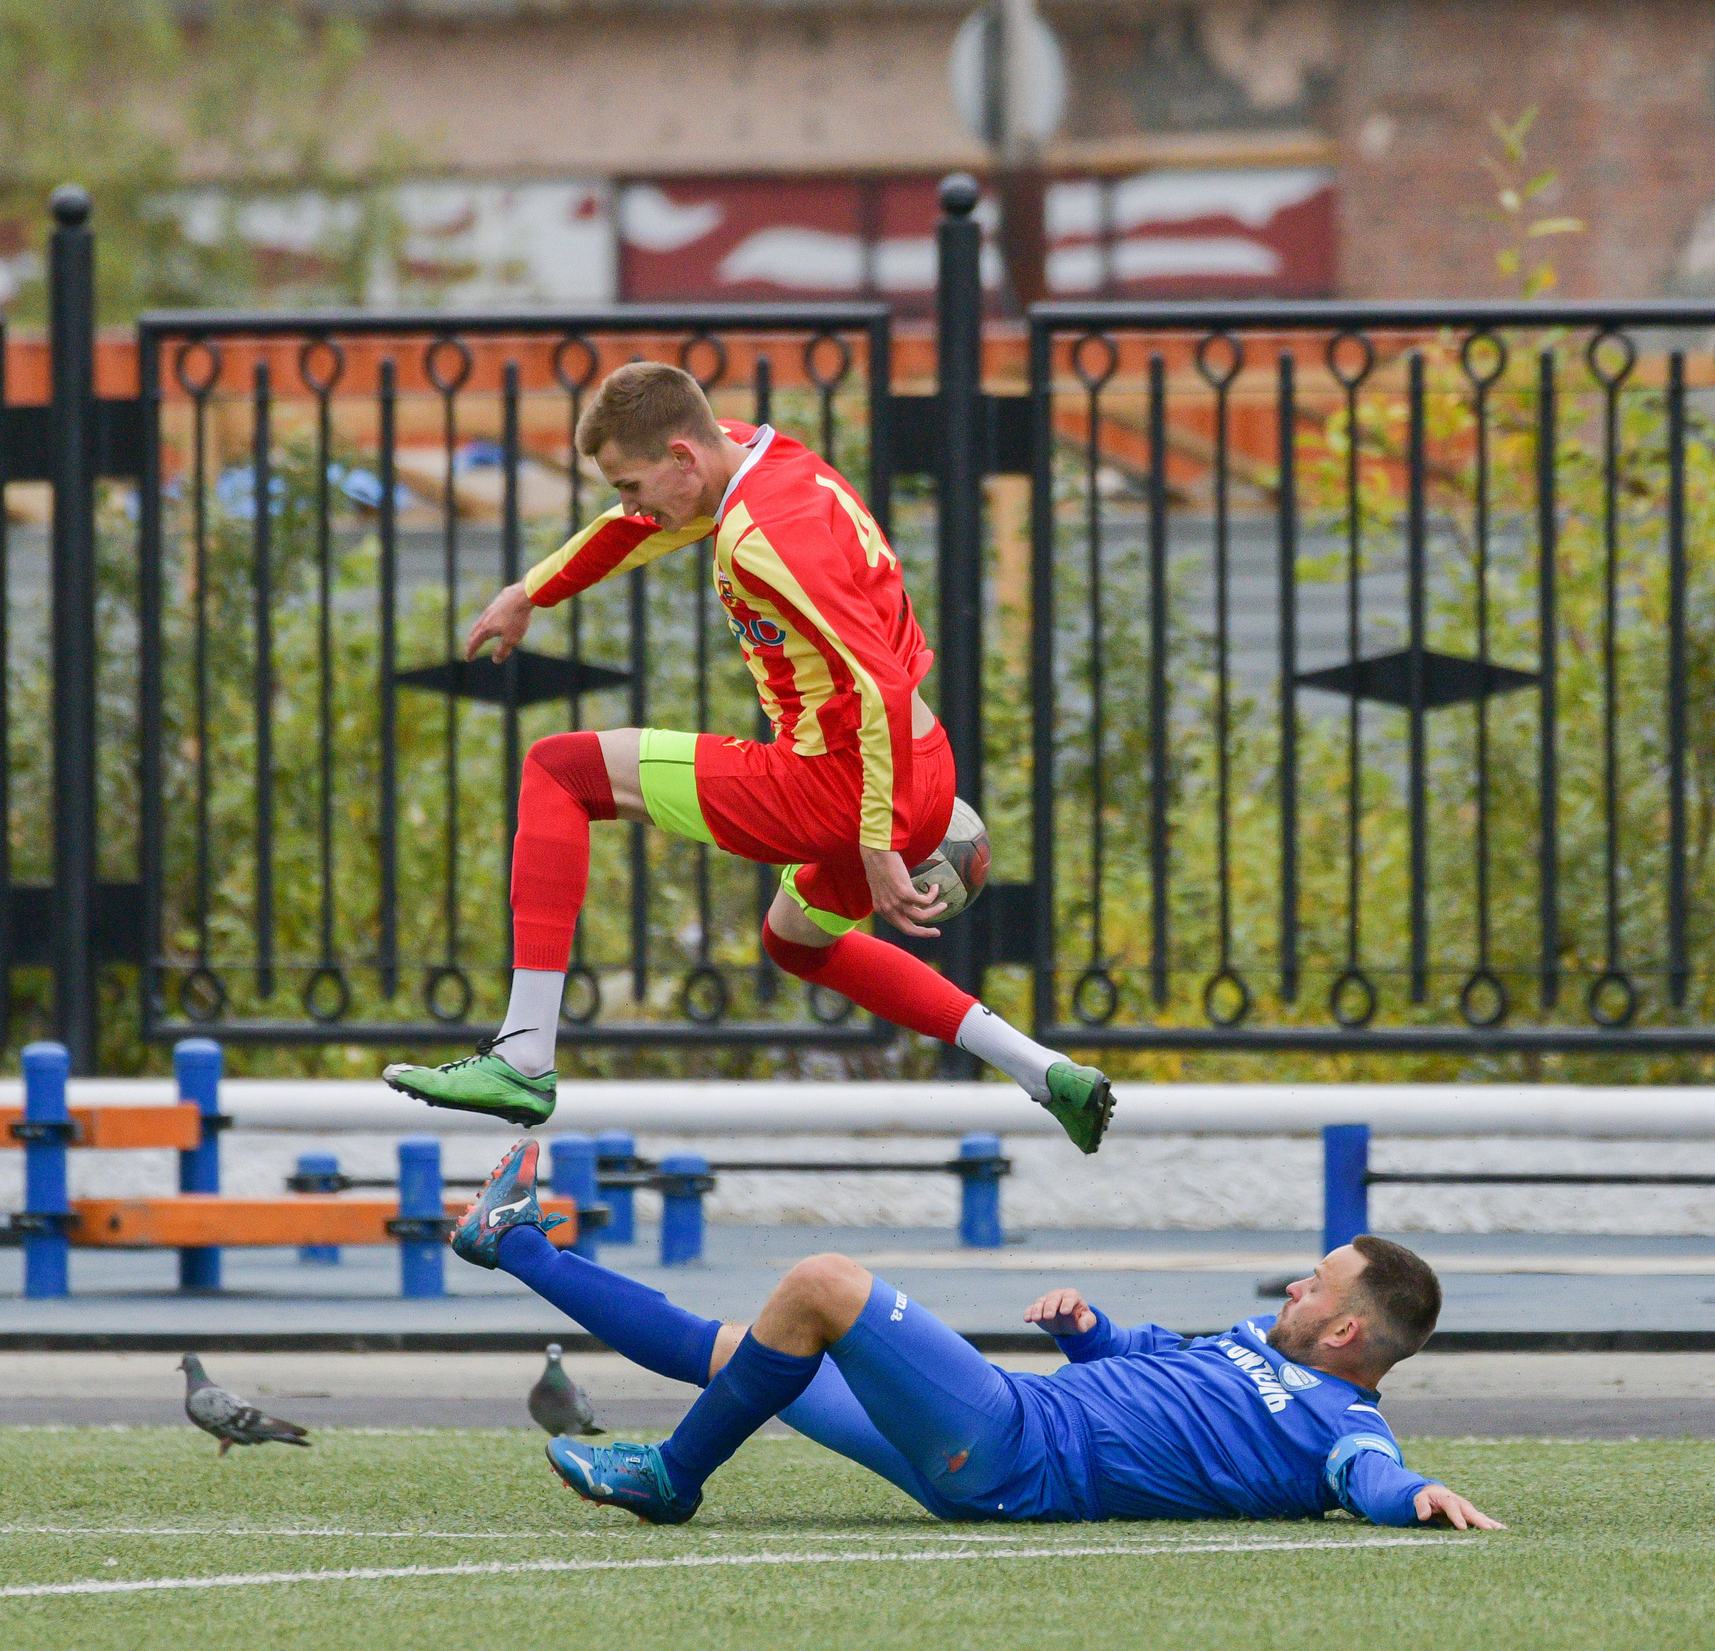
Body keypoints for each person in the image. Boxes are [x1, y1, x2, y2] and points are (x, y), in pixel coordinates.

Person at [381, 361, 1115, 1153]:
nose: (630, 506)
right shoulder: (759, 460)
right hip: (925, 766)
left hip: (836, 786)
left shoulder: (763, 536)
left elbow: (878, 685)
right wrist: (534, 590)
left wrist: (874, 841)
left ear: (682, 457)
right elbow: (634, 528)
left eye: (632, 483)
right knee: (794, 939)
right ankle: (1042, 1070)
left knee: (560, 771)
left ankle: (522, 1056)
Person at [451, 1138, 1505, 1531]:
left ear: (1345, 1333)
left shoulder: (1344, 1430)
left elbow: (1369, 1474)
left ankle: (672, 1479)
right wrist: (1091, 1332)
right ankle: (515, 1246)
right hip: (998, 1434)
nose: (1290, 1283)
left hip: (1012, 1449)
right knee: (743, 1349)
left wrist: (1412, 1497)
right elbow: (1154, 1366)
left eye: (1312, 1283)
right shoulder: (1248, 1343)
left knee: (823, 1281)